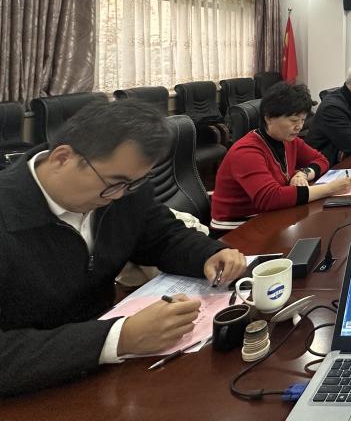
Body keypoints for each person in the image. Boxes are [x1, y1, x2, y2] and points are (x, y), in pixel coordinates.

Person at [0, 101, 247, 397]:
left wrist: (208, 253)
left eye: (132, 185)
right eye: (114, 184)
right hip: (35, 389)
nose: (119, 197)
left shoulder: (123, 188)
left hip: (110, 370)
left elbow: (160, 235)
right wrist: (118, 337)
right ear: (62, 158)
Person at [211, 83, 351, 227]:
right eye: (293, 120)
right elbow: (270, 198)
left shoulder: (288, 139)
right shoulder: (246, 151)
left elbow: (321, 159)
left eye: (303, 120)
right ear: (269, 118)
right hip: (238, 226)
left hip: (272, 214)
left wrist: (303, 174)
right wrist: (329, 189)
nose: (299, 126)